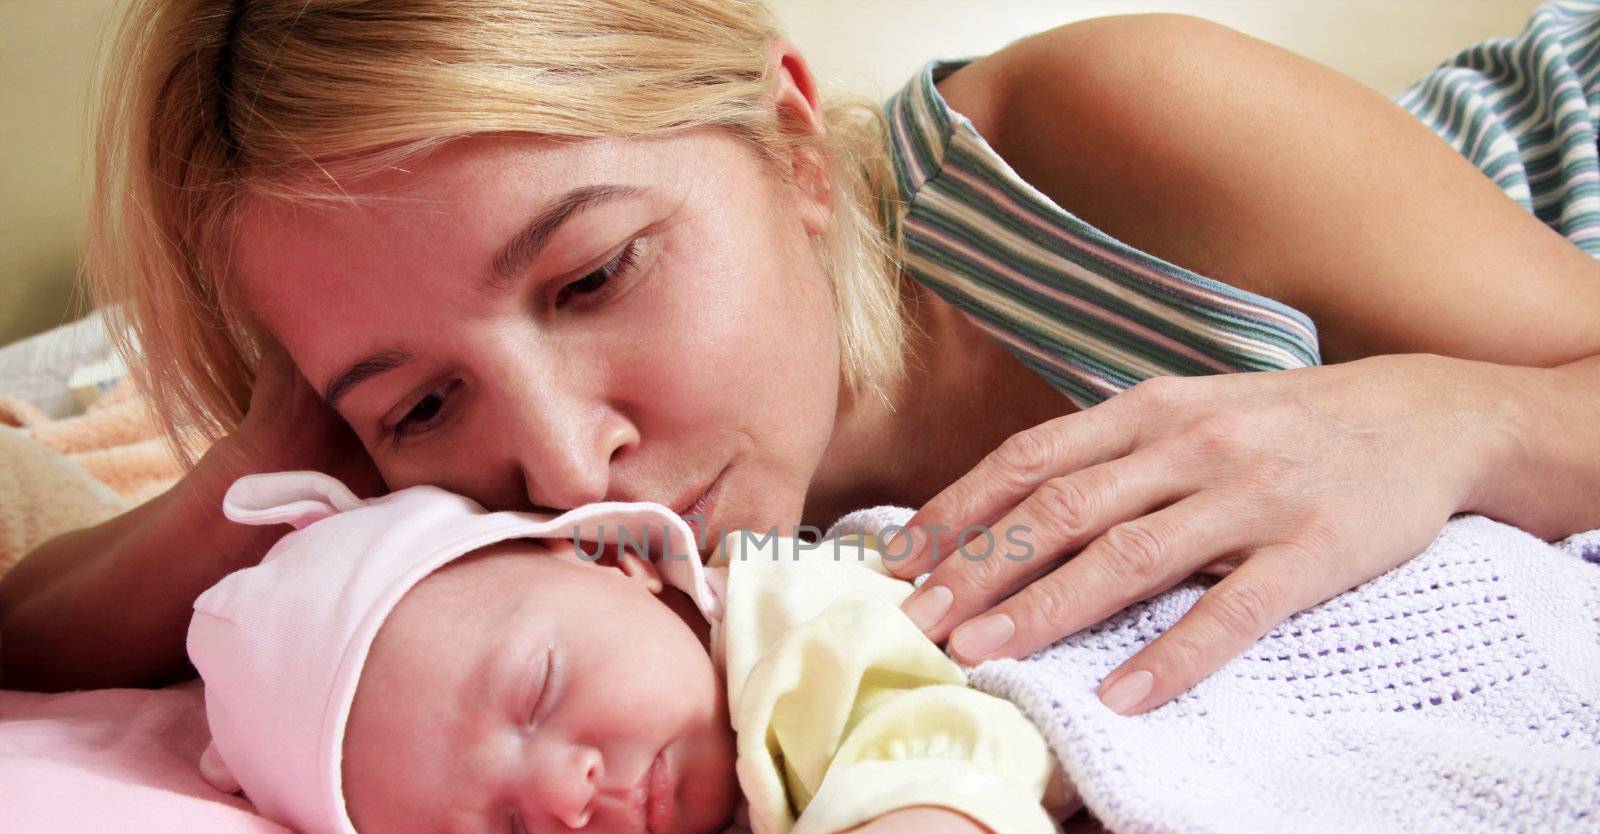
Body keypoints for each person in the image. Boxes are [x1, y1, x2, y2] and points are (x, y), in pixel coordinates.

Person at [3, 0, 1598, 714]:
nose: (561, 464)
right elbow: (29, 637)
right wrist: (309, 427)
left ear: (789, 145)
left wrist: (1434, 426)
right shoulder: (469, 493)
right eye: (425, 395)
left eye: (592, 274)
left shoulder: (1111, 128)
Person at [187, 471, 1072, 834]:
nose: (566, 794)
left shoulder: (804, 632)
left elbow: (981, 781)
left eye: (538, 691)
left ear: (614, 561)